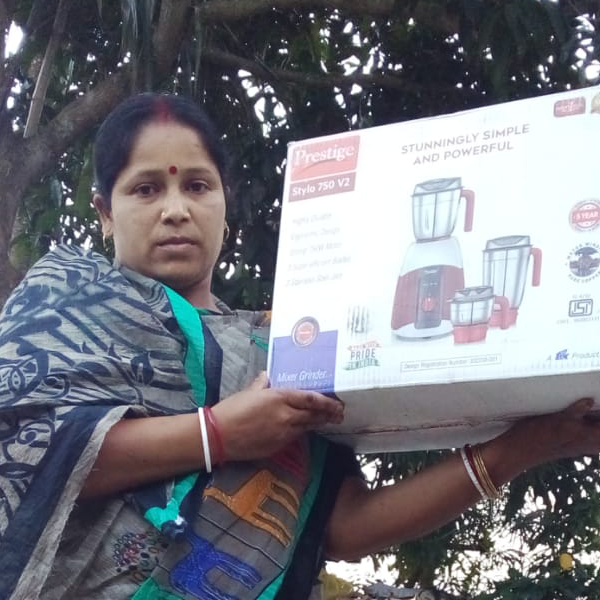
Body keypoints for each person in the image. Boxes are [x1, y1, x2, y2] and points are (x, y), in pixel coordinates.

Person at [0, 93, 598, 600]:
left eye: (198, 186)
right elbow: (25, 455)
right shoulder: (61, 301)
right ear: (104, 212)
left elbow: (342, 526)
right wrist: (221, 434)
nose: (175, 210)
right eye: (146, 189)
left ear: (225, 205)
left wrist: (521, 448)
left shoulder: (287, 346)